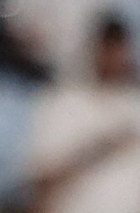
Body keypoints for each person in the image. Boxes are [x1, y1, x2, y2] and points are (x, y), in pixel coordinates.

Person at [26, 17, 140, 213]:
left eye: (119, 49)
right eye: (108, 48)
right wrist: (97, 150)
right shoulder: (61, 103)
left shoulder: (134, 104)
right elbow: (41, 185)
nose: (114, 57)